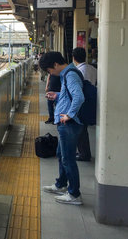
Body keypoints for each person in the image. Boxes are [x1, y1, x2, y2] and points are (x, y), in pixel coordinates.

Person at [40, 51, 84, 205]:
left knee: (68, 158)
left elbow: (79, 96)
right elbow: (70, 95)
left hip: (69, 124)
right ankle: (61, 184)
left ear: (56, 65)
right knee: (61, 155)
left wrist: (69, 115)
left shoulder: (70, 74)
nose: (50, 74)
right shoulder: (68, 73)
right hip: (65, 124)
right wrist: (57, 96)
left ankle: (74, 194)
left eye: (49, 70)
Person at [72, 47, 97, 161]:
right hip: (91, 99)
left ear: (74, 58)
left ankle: (84, 154)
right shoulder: (93, 69)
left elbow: (78, 90)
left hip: (82, 101)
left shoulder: (78, 71)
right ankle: (84, 152)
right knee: (83, 129)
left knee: (80, 129)